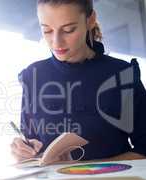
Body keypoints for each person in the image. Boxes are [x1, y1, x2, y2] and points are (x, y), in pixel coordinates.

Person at [11, 0, 146, 163]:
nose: (56, 42)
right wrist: (22, 150)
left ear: (90, 20)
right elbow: (30, 143)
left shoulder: (123, 74)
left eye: (68, 30)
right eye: (46, 30)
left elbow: (144, 148)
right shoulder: (33, 75)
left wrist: (88, 169)